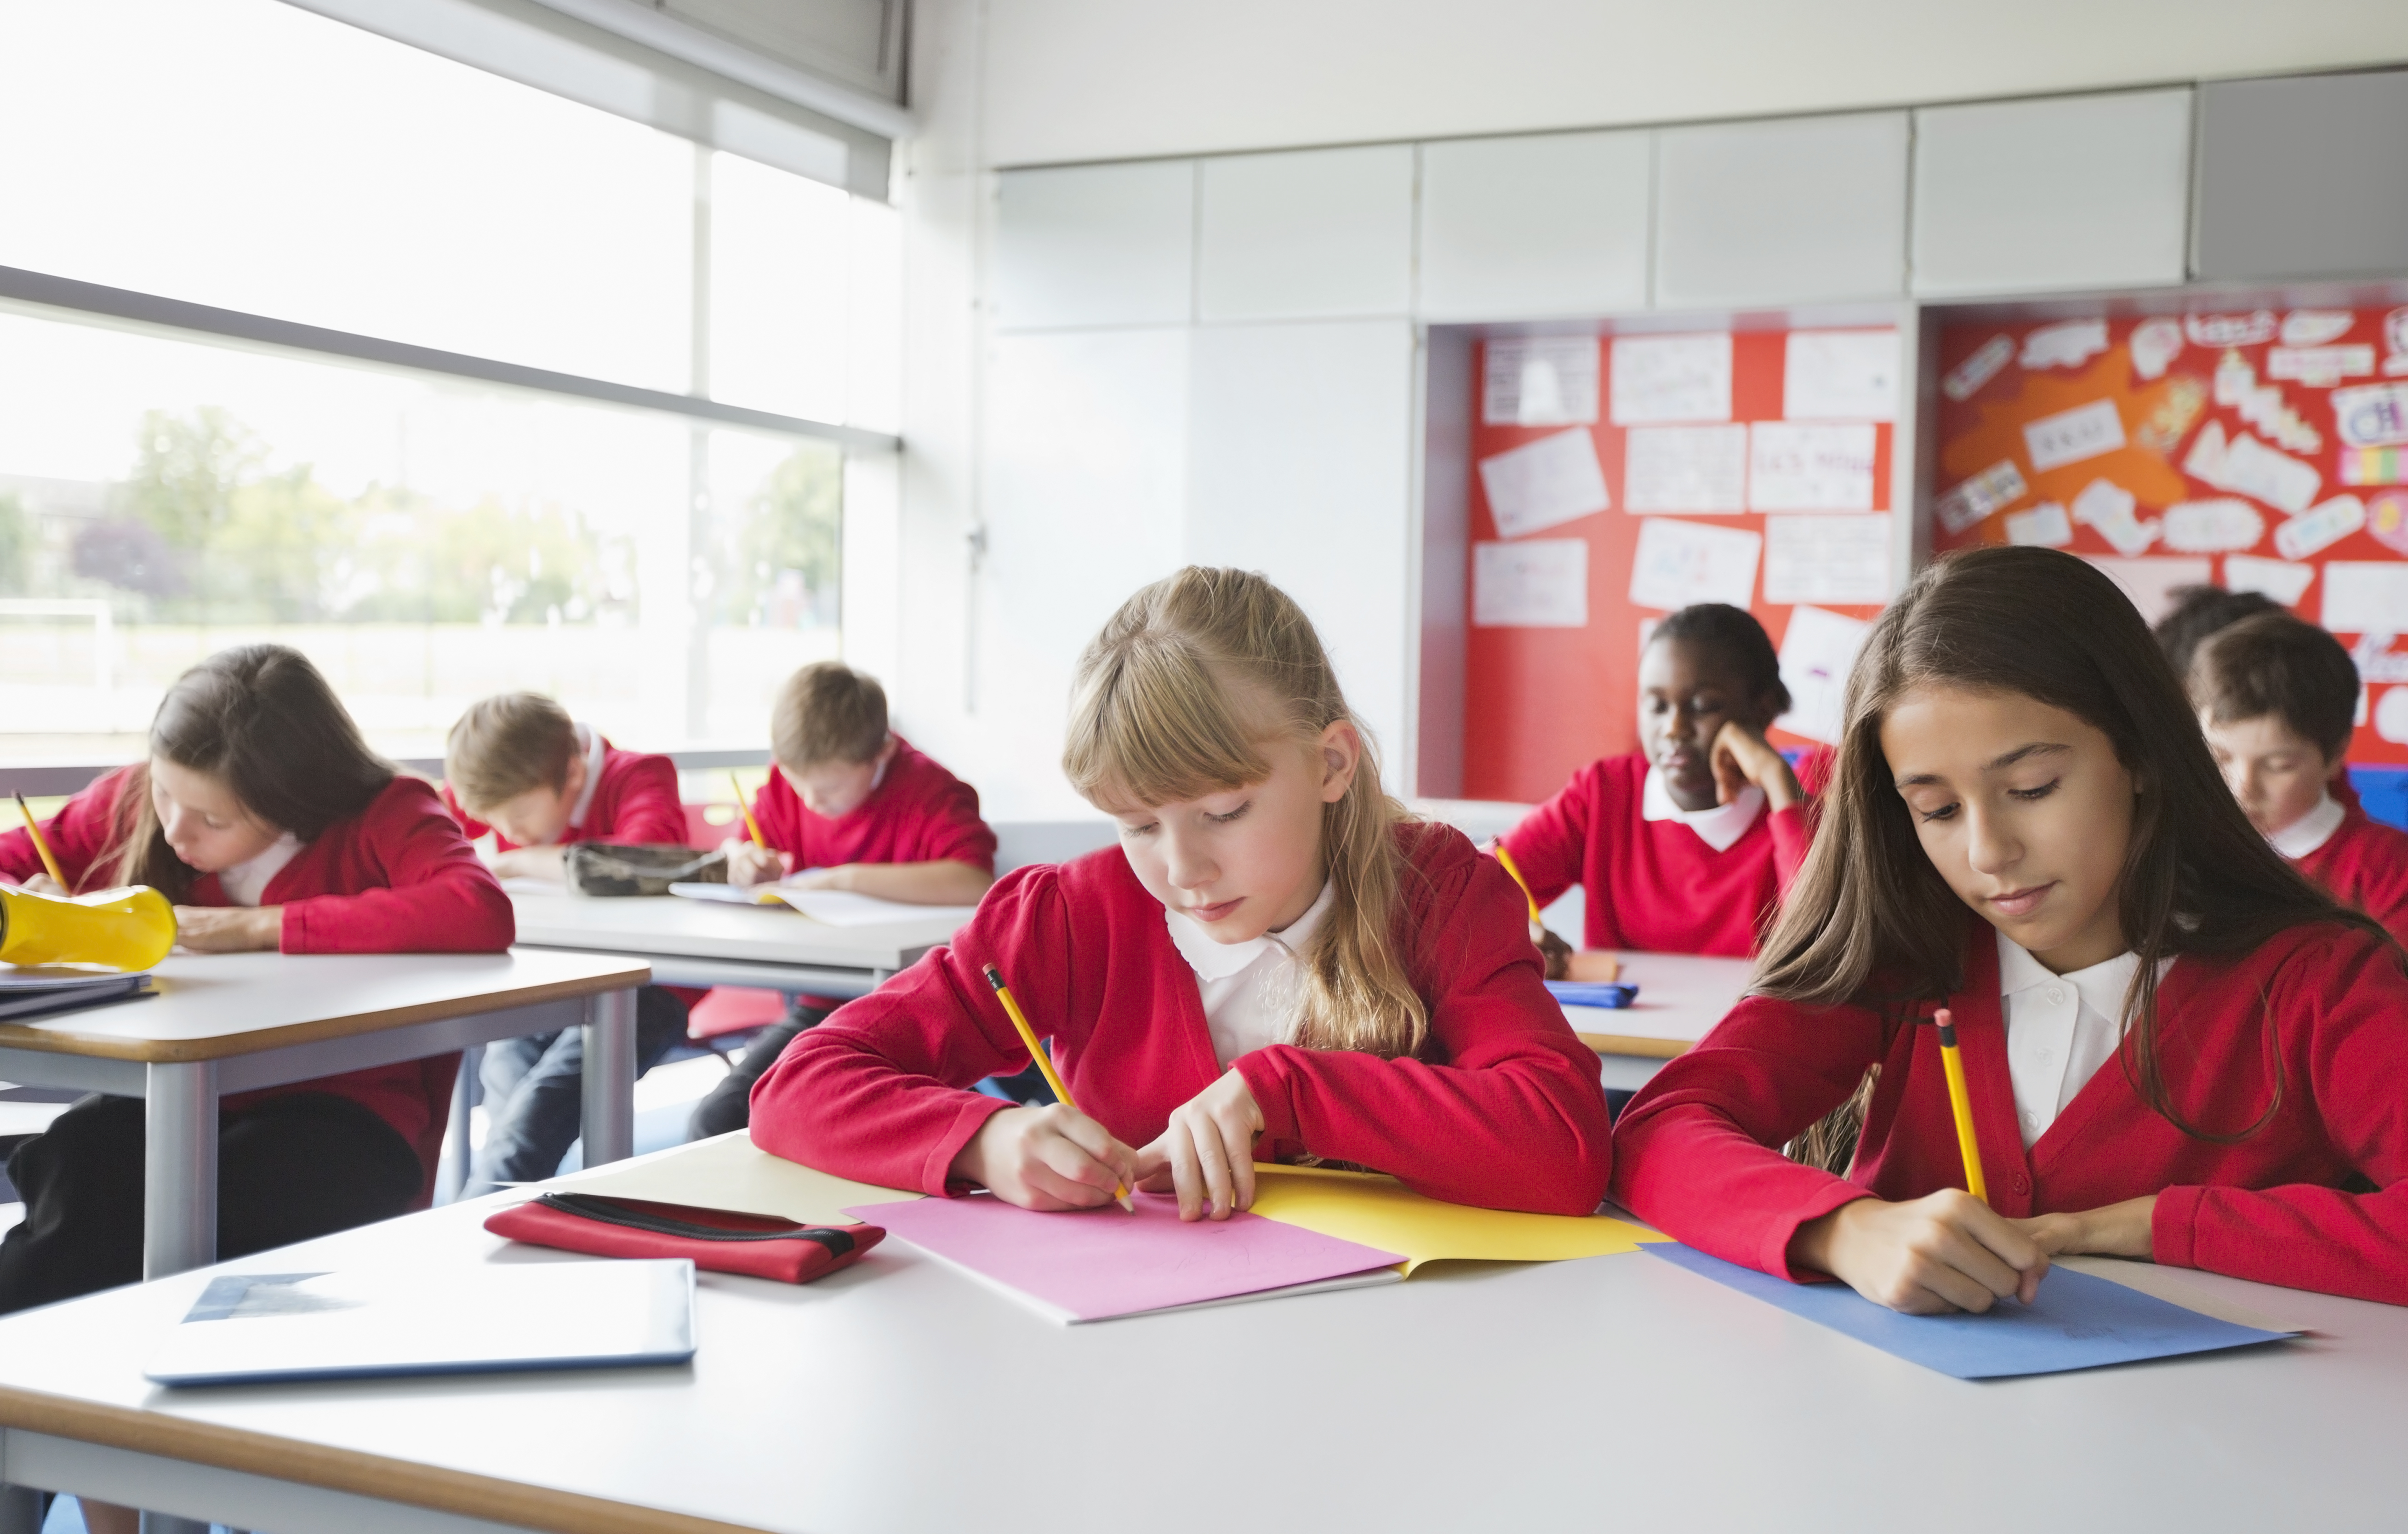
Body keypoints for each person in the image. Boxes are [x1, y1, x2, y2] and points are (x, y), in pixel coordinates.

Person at [1611, 546, 2408, 1310]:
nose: (1987, 852)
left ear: (2138, 753)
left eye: (2031, 787)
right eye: (1937, 809)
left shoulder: (2318, 981)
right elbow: (1658, 1132)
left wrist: (2145, 1225)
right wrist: (1844, 1230)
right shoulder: (1906, 951)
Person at [748, 567, 1613, 1219]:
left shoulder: (1438, 890)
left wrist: (1288, 1092)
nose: (1181, 869)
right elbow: (799, 1082)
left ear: (1330, 764)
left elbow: (1565, 1147)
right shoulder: (1070, 913)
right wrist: (982, 1139)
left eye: (1222, 811)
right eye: (1136, 825)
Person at [0, 645, 513, 1316]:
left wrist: (260, 926)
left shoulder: (384, 813)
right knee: (83, 1162)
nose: (178, 831)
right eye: (165, 792)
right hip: (179, 1095)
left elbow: (477, 909)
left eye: (215, 820)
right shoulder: (137, 799)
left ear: (295, 798)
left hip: (345, 1113)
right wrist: (29, 904)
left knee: (151, 1210)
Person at [686, 661, 997, 1139]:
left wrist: (842, 879)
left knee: (896, 1132)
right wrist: (740, 858)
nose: (811, 800)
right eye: (797, 782)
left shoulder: (930, 791)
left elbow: (972, 880)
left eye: (829, 787)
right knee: (716, 1121)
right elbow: (743, 852)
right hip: (824, 1006)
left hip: (917, 1009)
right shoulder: (790, 789)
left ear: (882, 752)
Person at [441, 692, 696, 1194]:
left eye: (516, 816)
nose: (508, 832)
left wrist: (513, 862)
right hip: (553, 978)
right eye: (493, 821)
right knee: (508, 1089)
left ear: (575, 774)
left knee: (535, 1113)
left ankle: (476, 1238)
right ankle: (522, 1224)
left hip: (651, 985)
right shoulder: (511, 784)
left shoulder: (641, 775)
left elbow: (637, 862)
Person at [1502, 603, 1810, 975]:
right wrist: (1517, 935)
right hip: (1621, 1033)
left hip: (1754, 1030)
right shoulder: (1604, 793)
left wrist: (1779, 782)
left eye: (1702, 706)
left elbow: (1822, 939)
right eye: (1657, 706)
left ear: (1761, 709)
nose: (1674, 728)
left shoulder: (1802, 799)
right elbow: (1480, 890)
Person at [2190, 613, 2408, 942]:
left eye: (2279, 765)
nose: (2243, 786)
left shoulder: (2386, 867)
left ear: (2335, 755)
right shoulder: (2186, 849)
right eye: (2220, 757)